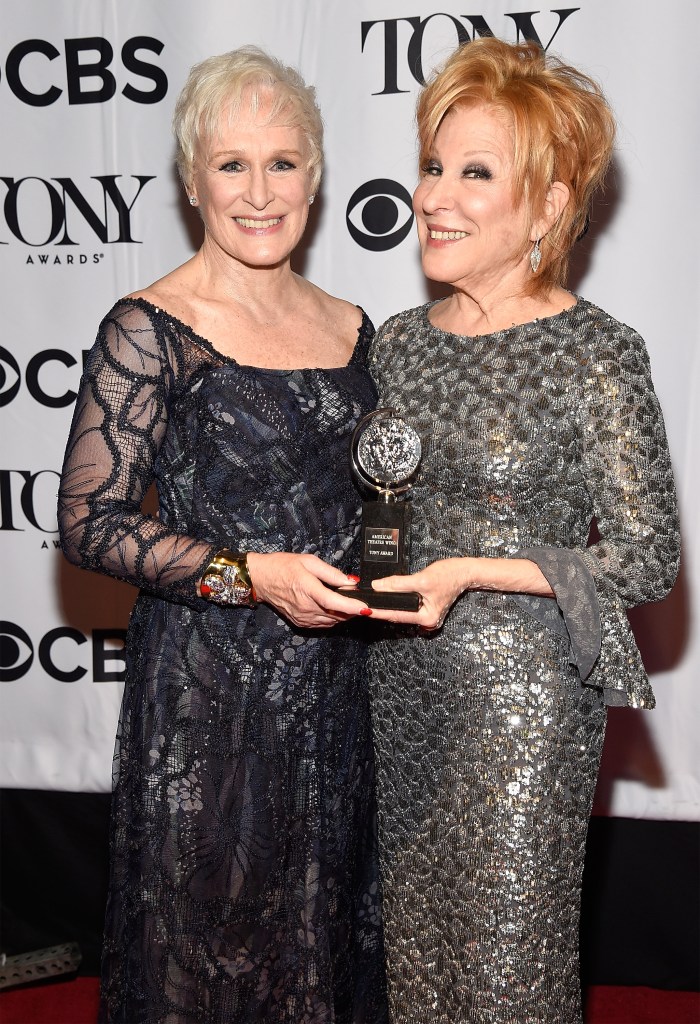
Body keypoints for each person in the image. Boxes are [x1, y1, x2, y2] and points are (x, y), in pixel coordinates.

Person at [57, 46, 388, 1024]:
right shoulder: (151, 326)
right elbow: (88, 523)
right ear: (192, 179)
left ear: (316, 175)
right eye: (230, 164)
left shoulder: (354, 325)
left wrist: (399, 569)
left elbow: (381, 498)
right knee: (215, 954)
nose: (258, 190)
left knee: (323, 943)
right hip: (213, 700)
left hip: (340, 696)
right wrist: (250, 574)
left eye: (282, 162)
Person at [365, 37, 680, 1023]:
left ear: (545, 208)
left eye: (475, 174)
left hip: (525, 702)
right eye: (432, 166)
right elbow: (381, 510)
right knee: (416, 951)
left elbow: (648, 555)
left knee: (508, 965)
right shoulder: (397, 343)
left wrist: (469, 569)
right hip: (398, 682)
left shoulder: (597, 352)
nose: (435, 196)